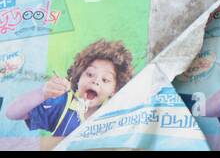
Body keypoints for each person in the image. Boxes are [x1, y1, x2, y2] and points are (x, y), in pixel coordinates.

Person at [5, 39, 133, 138]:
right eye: (89, 74)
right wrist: (42, 93)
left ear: (114, 89)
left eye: (105, 80)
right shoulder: (62, 104)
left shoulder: (115, 116)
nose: (95, 81)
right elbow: (12, 113)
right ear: (78, 77)